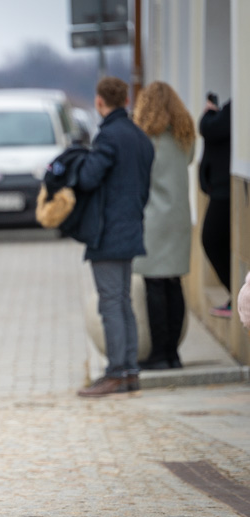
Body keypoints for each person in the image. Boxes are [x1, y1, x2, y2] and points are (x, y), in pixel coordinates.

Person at [75, 77, 154, 398]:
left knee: (111, 303)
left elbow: (88, 178)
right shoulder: (139, 136)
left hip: (108, 231)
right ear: (125, 100)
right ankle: (130, 371)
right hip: (132, 226)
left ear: (99, 102)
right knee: (123, 301)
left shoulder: (108, 137)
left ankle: (117, 372)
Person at [132, 81, 196, 370]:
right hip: (180, 219)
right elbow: (191, 160)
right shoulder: (184, 137)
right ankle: (174, 354)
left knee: (154, 285)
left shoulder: (145, 140)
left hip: (153, 221)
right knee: (174, 283)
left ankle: (159, 354)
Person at [199, 98, 232, 317]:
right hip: (222, 188)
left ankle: (238, 295)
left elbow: (210, 128)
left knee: (211, 238)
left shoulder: (237, 104)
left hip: (225, 190)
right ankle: (237, 295)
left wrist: (208, 115)